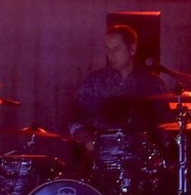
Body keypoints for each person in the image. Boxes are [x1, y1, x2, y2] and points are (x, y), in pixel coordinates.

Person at [68, 23, 167, 151]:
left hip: (140, 156)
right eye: (108, 49)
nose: (110, 55)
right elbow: (75, 118)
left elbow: (164, 124)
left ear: (132, 49)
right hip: (102, 154)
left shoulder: (152, 83)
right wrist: (87, 138)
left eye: (116, 49)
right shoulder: (95, 81)